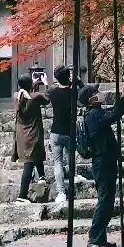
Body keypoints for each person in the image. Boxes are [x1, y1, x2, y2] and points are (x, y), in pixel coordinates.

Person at [78, 81, 124, 247]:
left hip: (106, 160)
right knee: (104, 201)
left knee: (107, 201)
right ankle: (94, 239)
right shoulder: (93, 116)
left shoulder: (96, 113)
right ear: (90, 99)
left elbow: (113, 112)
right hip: (102, 162)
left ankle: (100, 238)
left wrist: (123, 98)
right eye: (96, 93)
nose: (99, 94)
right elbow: (114, 114)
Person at [46, 65, 80, 205]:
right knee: (70, 156)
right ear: (69, 77)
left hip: (55, 131)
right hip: (69, 130)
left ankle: (61, 192)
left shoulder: (52, 93)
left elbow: (48, 93)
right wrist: (77, 81)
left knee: (57, 162)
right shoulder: (73, 93)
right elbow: (85, 93)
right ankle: (74, 175)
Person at [13, 75, 50, 203]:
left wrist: (30, 85)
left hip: (22, 135)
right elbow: (47, 100)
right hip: (33, 133)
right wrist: (45, 83)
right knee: (29, 164)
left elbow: (25, 94)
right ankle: (21, 196)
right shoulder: (36, 97)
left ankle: (42, 176)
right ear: (30, 85)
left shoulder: (17, 96)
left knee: (35, 154)